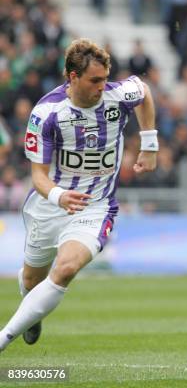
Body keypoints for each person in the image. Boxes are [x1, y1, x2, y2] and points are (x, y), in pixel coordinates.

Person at [0, 38, 158, 353]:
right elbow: (38, 177)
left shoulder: (117, 95)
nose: (103, 86)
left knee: (67, 268)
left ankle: (3, 339)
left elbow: (144, 91)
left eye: (105, 78)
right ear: (73, 77)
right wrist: (59, 196)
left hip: (96, 207)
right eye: (95, 80)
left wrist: (149, 143)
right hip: (49, 206)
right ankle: (32, 309)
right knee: (32, 280)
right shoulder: (46, 112)